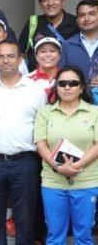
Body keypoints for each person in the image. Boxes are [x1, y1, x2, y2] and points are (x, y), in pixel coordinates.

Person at [0, 41, 47, 245]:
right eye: (0, 56)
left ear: (20, 59)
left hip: (25, 162)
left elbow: (42, 126)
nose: (5, 61)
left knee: (25, 220)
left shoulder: (35, 91)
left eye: (10, 56)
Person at [35, 66, 98, 245]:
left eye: (73, 83)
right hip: (53, 182)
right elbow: (41, 145)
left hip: (86, 181)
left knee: (84, 236)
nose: (67, 87)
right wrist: (58, 167)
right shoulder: (45, 113)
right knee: (54, 236)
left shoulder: (95, 112)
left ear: (82, 88)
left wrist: (76, 166)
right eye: (62, 83)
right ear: (56, 87)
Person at [18, 0, 78, 70]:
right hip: (36, 77)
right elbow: (20, 53)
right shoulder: (33, 23)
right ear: (40, 4)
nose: (50, 3)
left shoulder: (75, 23)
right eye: (45, 0)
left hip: (67, 77)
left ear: (63, 1)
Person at [61, 0, 98, 86]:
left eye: (92, 14)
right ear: (77, 20)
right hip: (77, 94)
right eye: (81, 15)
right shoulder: (67, 46)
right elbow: (61, 78)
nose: (86, 19)